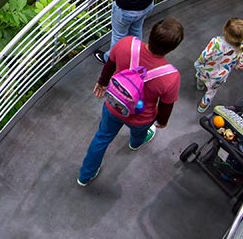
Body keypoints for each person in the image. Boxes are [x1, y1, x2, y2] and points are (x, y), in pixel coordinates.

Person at [77, 18, 184, 186]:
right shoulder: (170, 77)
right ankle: (135, 143)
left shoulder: (127, 44)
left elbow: (110, 64)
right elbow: (166, 104)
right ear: (172, 48)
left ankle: (85, 175)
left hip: (113, 105)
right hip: (141, 117)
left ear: (151, 34)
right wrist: (162, 121)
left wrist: (102, 82)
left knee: (102, 137)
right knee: (139, 132)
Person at [194, 18, 243, 114]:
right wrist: (235, 65)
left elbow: (205, 55)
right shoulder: (242, 50)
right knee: (211, 90)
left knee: (200, 77)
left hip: (206, 69)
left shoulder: (216, 41)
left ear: (225, 30)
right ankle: (203, 105)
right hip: (219, 76)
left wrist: (199, 62)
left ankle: (199, 85)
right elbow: (241, 66)